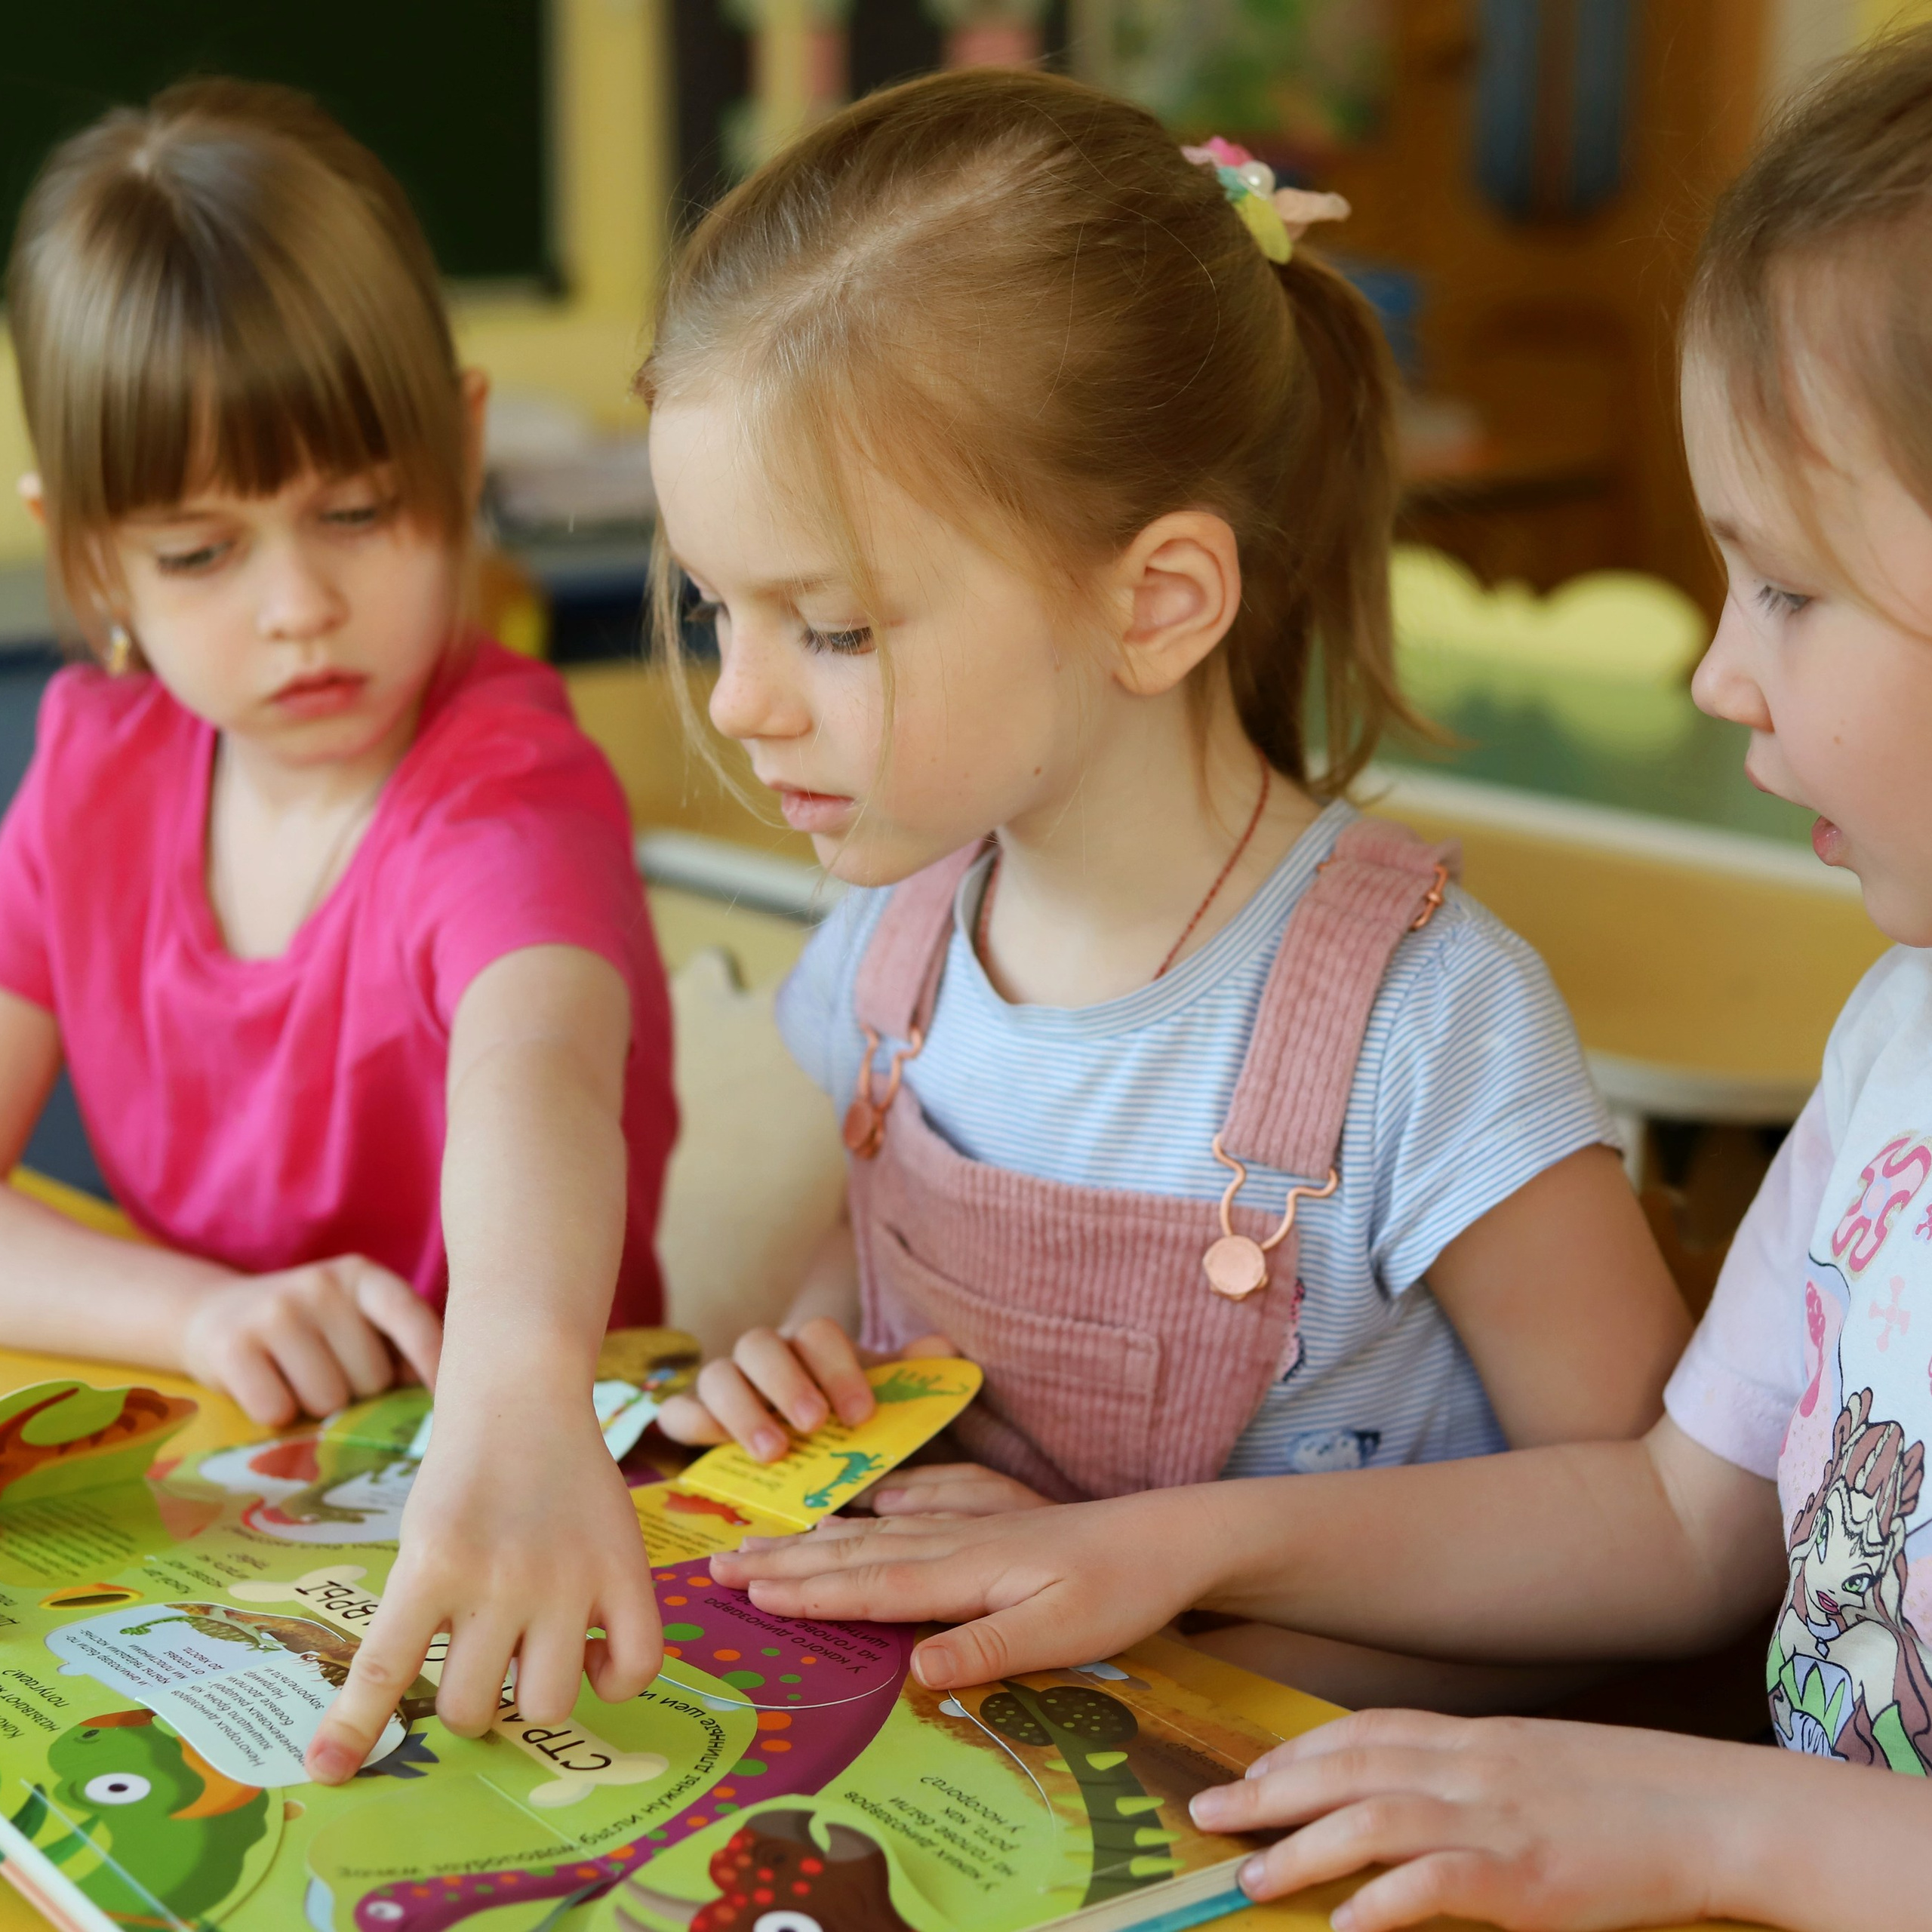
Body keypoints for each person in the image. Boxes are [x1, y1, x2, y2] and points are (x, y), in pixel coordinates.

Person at [715, 32, 1932, 1930]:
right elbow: (1689, 1521)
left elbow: (1639, 1534)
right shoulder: (1890, 1043)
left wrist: (1708, 1822)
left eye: (1782, 586)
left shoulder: (1424, 1010)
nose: (1717, 669)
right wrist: (1150, 1550)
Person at [642, 66, 1688, 1701]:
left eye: (830, 626)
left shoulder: (1426, 1024)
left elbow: (1658, 1545)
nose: (736, 698)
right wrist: (805, 1369)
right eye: (713, 608)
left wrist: (1190, 1607)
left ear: (1158, 602)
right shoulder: (885, 951)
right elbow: (856, 1290)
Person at [0, 82, 673, 1782]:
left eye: (356, 510)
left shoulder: (505, 792)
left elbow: (540, 1065)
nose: (296, 604)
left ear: (458, 444)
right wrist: (199, 1314)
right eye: (201, 548)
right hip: (225, 1509)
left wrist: (518, 1376)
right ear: (90, 560)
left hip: (535, 1502)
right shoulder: (91, 769)